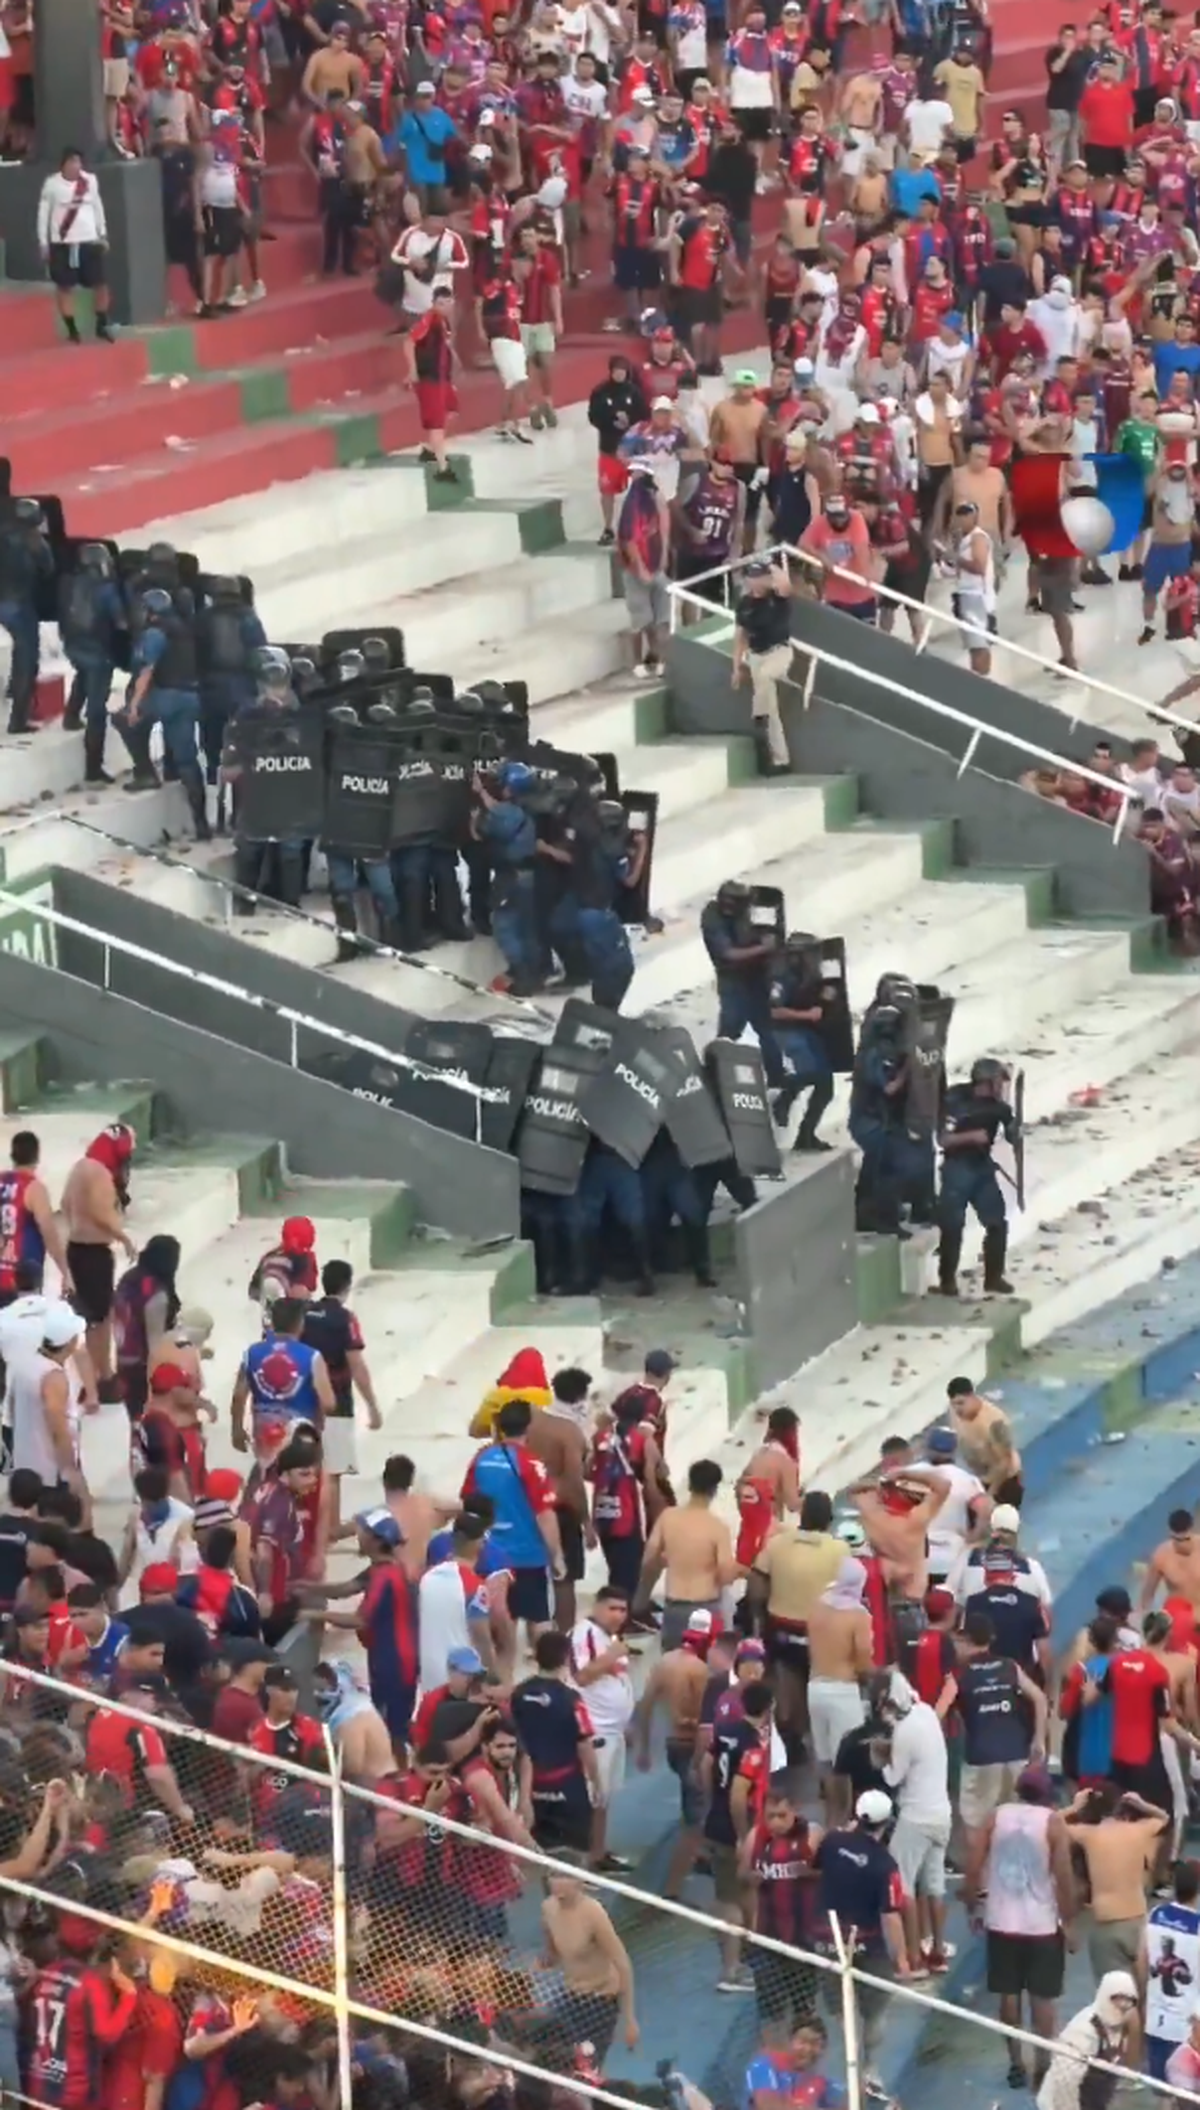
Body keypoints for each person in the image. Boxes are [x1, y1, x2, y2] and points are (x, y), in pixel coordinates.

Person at [967, 1763, 1077, 2092]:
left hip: (1001, 1920)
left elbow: (973, 1864)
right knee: (1043, 1998)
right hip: (1041, 1924)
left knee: (1008, 1995)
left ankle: (1016, 2063)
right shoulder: (1052, 1822)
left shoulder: (996, 1816)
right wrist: (1069, 1921)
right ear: (1047, 1794)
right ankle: (1043, 2065)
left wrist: (973, 1905)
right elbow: (1064, 1878)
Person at [813, 1789, 912, 2096]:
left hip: (829, 1939)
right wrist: (902, 1959)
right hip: (869, 1944)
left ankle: (851, 2061)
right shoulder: (885, 1864)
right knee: (876, 2012)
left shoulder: (831, 1842)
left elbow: (816, 1867)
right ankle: (869, 2067)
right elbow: (891, 1915)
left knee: (841, 2012)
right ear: (887, 1823)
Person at [462, 1397, 563, 1639]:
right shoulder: (531, 1464)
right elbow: (545, 1515)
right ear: (528, 1427)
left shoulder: (481, 1459)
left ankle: (503, 1664)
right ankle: (543, 1663)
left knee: (499, 1623)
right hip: (528, 1556)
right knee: (539, 1621)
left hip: (491, 1557)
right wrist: (557, 1556)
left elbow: (468, 1502)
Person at [1063, 1780, 1170, 1980]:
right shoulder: (1139, 1830)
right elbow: (1164, 1818)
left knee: (1114, 1992)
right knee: (1142, 1990)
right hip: (1138, 1921)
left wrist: (1074, 1807)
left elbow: (1051, 1824)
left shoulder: (1089, 1835)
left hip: (1107, 1922)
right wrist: (1142, 1804)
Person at [541, 1853, 639, 2068]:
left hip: (600, 2000)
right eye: (554, 1875)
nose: (558, 1882)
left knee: (588, 2065)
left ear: (579, 1880)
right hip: (571, 1994)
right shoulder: (548, 1907)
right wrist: (547, 1957)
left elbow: (622, 1963)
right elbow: (551, 1940)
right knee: (555, 2056)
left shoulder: (594, 1913)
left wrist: (629, 2019)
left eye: (565, 1876)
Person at [60, 1122, 137, 1400]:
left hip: (75, 1248)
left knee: (85, 1318)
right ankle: (103, 1377)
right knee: (101, 1320)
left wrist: (77, 1225)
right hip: (95, 1253)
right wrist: (123, 1237)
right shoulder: (101, 1173)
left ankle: (90, 1378)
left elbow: (65, 1203)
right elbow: (99, 1211)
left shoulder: (80, 1167)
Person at [512, 1629, 600, 1851]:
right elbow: (584, 1744)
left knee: (534, 1851)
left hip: (531, 1787)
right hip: (567, 1787)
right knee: (574, 1852)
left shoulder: (518, 1694)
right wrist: (596, 1781)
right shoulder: (572, 1699)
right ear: (566, 1658)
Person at [638, 1458, 737, 1648]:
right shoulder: (717, 1528)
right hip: (705, 1606)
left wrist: (642, 1596)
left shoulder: (668, 1517)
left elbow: (648, 1559)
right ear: (714, 1490)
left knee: (672, 1659)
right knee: (703, 1661)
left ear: (690, 1485)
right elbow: (725, 1574)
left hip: (674, 1605)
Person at [569, 1585, 635, 1870]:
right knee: (591, 1796)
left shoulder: (610, 1637)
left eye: (623, 1610)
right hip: (595, 1730)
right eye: (612, 1608)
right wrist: (611, 1655)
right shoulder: (584, 1634)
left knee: (603, 1797)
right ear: (597, 1607)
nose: (618, 1615)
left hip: (613, 1730)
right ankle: (581, 1864)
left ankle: (598, 1854)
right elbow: (582, 1676)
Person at [805, 1558, 874, 1812]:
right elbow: (863, 1660)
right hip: (842, 1691)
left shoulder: (817, 1605)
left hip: (815, 1687)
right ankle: (843, 1818)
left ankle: (830, 1816)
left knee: (824, 1759)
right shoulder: (858, 1616)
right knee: (846, 1762)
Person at [36, 148, 115, 343]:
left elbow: (97, 206)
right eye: (71, 162)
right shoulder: (52, 184)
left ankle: (101, 324)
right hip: (62, 243)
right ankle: (72, 330)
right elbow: (43, 214)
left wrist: (102, 232)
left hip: (89, 241)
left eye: (78, 162)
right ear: (63, 164)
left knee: (101, 284)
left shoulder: (90, 181)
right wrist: (43, 242)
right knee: (64, 287)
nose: (75, 166)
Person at [1035, 1972, 1140, 2110]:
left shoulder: (1122, 2026)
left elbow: (1125, 2068)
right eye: (1117, 1998)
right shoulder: (1083, 2030)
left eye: (1129, 2000)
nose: (1124, 2004)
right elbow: (1065, 2082)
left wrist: (1134, 2028)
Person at [731, 556, 796, 776]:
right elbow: (740, 637)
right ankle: (781, 759)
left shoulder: (777, 597)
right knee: (772, 711)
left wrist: (770, 566)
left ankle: (758, 713)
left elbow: (786, 584)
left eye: (760, 576)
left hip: (779, 651)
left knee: (767, 677)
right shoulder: (744, 604)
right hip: (755, 655)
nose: (755, 581)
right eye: (752, 577)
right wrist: (736, 667)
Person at [0, 1133, 71, 1304]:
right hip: (22, 1278)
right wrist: (65, 1272)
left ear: (12, 1155)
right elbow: (49, 1235)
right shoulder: (34, 1188)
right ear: (36, 1156)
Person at [1144, 1862, 1200, 2079]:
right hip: (1186, 2028)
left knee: (1161, 2089)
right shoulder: (1197, 1926)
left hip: (1155, 2021)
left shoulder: (1155, 1914)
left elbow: (1141, 1964)